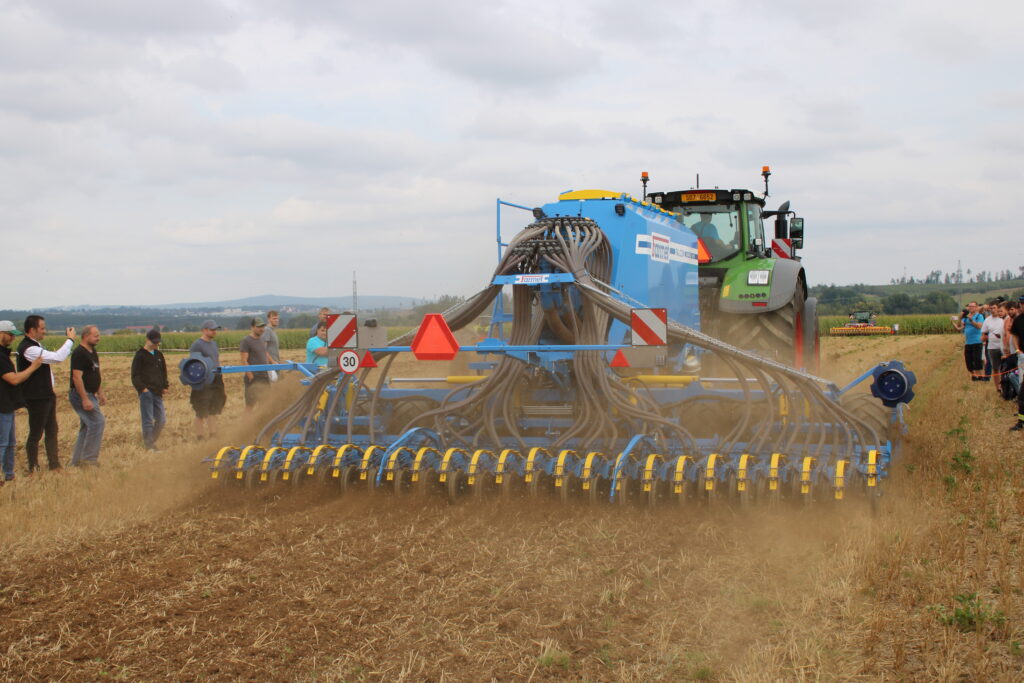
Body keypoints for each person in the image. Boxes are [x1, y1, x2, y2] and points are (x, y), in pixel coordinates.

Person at [17, 315, 76, 473]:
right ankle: (33, 468)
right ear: (32, 330)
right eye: (42, 328)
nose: (45, 331)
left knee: (52, 430)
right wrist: (70, 340)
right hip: (36, 397)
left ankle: (54, 465)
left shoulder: (35, 345)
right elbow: (58, 358)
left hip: (46, 395)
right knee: (36, 432)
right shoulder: (29, 348)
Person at [0, 321, 45, 484]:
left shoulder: (4, 355)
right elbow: (13, 379)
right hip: (2, 406)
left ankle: (9, 475)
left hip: (7, 405)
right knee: (3, 443)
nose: (12, 338)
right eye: (10, 334)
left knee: (10, 443)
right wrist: (33, 367)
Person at [68, 325, 105, 467]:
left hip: (91, 394)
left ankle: (76, 462)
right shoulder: (79, 353)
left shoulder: (92, 351)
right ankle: (89, 460)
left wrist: (100, 392)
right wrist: (85, 399)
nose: (98, 338)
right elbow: (77, 378)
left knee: (86, 427)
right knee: (97, 423)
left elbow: (95, 373)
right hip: (81, 395)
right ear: (86, 336)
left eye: (98, 335)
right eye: (96, 335)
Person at [131, 328, 169, 451]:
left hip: (158, 392)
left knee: (162, 420)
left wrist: (165, 385)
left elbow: (163, 372)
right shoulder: (140, 355)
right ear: (147, 340)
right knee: (147, 420)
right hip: (146, 392)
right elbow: (135, 375)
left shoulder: (159, 355)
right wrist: (143, 389)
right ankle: (149, 445)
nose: (156, 344)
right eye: (154, 342)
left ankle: (150, 441)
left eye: (157, 342)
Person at [189, 320, 226, 440]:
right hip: (203, 381)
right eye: (212, 329)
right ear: (204, 330)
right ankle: (200, 437)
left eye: (215, 329)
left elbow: (216, 360)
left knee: (214, 409)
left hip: (216, 379)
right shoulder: (197, 345)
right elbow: (193, 364)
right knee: (201, 411)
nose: (215, 331)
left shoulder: (214, 344)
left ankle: (213, 435)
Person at [239, 317, 270, 411]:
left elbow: (264, 355)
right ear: (252, 327)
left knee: (265, 403)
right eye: (259, 326)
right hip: (254, 377)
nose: (261, 329)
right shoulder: (246, 341)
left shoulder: (262, 340)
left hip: (264, 376)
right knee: (250, 405)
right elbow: (244, 360)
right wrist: (251, 377)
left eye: (263, 326)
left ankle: (261, 424)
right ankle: (246, 425)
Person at [952, 302, 984, 381]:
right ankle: (974, 375)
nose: (970, 308)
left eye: (972, 306)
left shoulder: (979, 316)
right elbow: (959, 328)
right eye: (969, 306)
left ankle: (979, 376)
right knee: (968, 361)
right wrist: (956, 320)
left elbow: (979, 326)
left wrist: (971, 319)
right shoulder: (965, 318)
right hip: (968, 342)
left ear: (976, 307)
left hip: (977, 341)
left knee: (977, 360)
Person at [981, 304, 1005, 392]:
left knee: (1004, 368)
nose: (992, 310)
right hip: (992, 347)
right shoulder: (987, 320)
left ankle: (1005, 385)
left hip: (1004, 347)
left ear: (998, 308)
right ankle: (998, 387)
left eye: (994, 308)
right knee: (995, 368)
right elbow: (983, 335)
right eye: (991, 308)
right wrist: (985, 337)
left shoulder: (1003, 319)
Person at [1011, 302, 1024, 432]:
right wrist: (1017, 350)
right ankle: (1021, 421)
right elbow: (1014, 335)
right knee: (1022, 390)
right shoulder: (1018, 320)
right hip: (1022, 356)